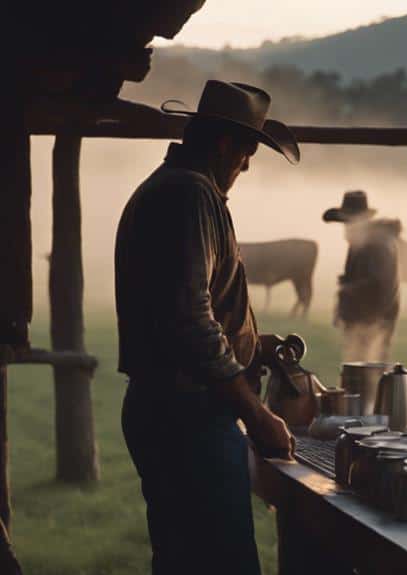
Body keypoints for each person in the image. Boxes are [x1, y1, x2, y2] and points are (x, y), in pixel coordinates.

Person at [115, 80, 299, 575]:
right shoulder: (191, 194)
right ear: (224, 145)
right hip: (188, 416)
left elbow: (179, 311)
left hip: (172, 411)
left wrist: (252, 344)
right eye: (246, 150)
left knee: (183, 560)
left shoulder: (175, 189)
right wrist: (257, 415)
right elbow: (190, 319)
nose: (247, 164)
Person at [323, 191, 402, 362]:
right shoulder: (364, 242)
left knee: (368, 366)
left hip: (371, 319)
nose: (345, 229)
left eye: (348, 223)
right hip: (365, 317)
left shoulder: (376, 245)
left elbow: (377, 284)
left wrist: (346, 292)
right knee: (362, 365)